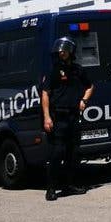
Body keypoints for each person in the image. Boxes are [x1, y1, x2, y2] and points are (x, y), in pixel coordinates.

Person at [39, 36, 94, 201]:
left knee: (73, 153)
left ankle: (69, 185)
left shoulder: (78, 70)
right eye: (59, 51)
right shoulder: (53, 71)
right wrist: (47, 117)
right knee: (57, 153)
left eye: (64, 50)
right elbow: (45, 94)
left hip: (73, 117)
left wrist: (84, 100)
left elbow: (90, 86)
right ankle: (51, 188)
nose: (61, 53)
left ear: (70, 52)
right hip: (58, 117)